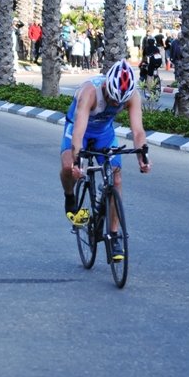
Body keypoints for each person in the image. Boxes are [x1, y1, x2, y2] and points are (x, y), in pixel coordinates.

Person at [59, 59, 152, 261]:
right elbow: (78, 132)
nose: (115, 104)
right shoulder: (89, 92)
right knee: (68, 166)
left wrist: (142, 156)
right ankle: (69, 197)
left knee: (116, 180)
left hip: (104, 133)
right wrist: (77, 161)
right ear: (106, 86)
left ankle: (114, 235)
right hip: (79, 129)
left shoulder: (132, 96)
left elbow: (138, 131)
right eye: (112, 99)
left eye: (120, 102)